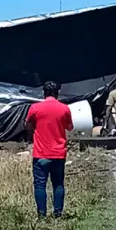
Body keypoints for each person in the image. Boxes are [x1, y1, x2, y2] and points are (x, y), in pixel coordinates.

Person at [25, 80, 73, 218]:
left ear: (44, 92)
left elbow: (28, 125)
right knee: (58, 184)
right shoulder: (64, 108)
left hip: (41, 153)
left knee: (40, 185)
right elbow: (69, 127)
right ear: (57, 93)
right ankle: (58, 213)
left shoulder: (35, 108)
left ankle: (42, 214)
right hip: (58, 153)